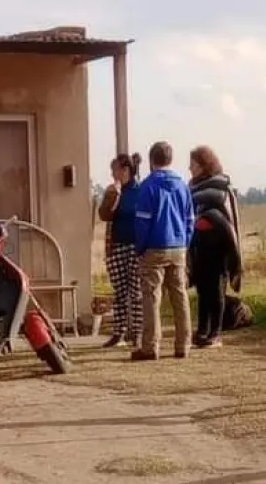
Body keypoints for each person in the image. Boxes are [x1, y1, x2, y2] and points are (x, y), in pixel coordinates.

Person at [132, 141, 194, 361]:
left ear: (151, 160)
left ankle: (150, 346)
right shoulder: (182, 185)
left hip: (154, 246)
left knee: (151, 297)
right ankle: (183, 344)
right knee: (180, 295)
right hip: (178, 246)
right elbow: (190, 219)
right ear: (170, 159)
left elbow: (142, 222)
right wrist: (185, 242)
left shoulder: (148, 186)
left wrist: (140, 248)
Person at [187, 146, 242, 348]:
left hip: (219, 245)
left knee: (216, 289)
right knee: (202, 289)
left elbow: (227, 219)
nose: (190, 168)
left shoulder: (221, 186)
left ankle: (216, 333)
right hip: (199, 244)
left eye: (193, 164)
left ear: (203, 165)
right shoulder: (192, 187)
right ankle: (202, 330)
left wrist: (211, 221)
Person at [98, 153, 144, 349]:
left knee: (136, 291)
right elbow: (104, 215)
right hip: (116, 245)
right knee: (119, 291)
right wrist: (112, 197)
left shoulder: (140, 190)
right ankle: (119, 332)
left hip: (136, 246)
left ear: (125, 170)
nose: (112, 174)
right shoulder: (113, 191)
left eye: (114, 170)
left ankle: (137, 332)